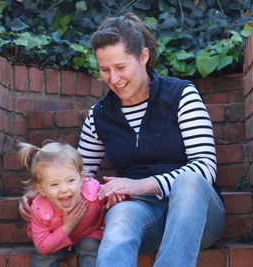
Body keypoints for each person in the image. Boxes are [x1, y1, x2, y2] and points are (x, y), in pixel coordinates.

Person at [20, 12, 225, 267]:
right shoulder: (100, 115)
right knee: (119, 214)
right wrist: (39, 195)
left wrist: (142, 184)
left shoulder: (181, 95)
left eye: (120, 67)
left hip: (199, 218)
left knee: (190, 181)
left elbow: (205, 168)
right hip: (142, 217)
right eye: (105, 70)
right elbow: (78, 173)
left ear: (143, 56)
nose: (114, 79)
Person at [18, 141, 119, 267]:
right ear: (41, 189)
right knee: (43, 257)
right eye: (54, 184)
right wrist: (67, 226)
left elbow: (110, 193)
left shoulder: (91, 190)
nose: (64, 189)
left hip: (87, 234)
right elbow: (43, 246)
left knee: (91, 247)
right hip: (53, 238)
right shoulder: (39, 208)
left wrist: (116, 195)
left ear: (82, 178)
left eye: (70, 180)